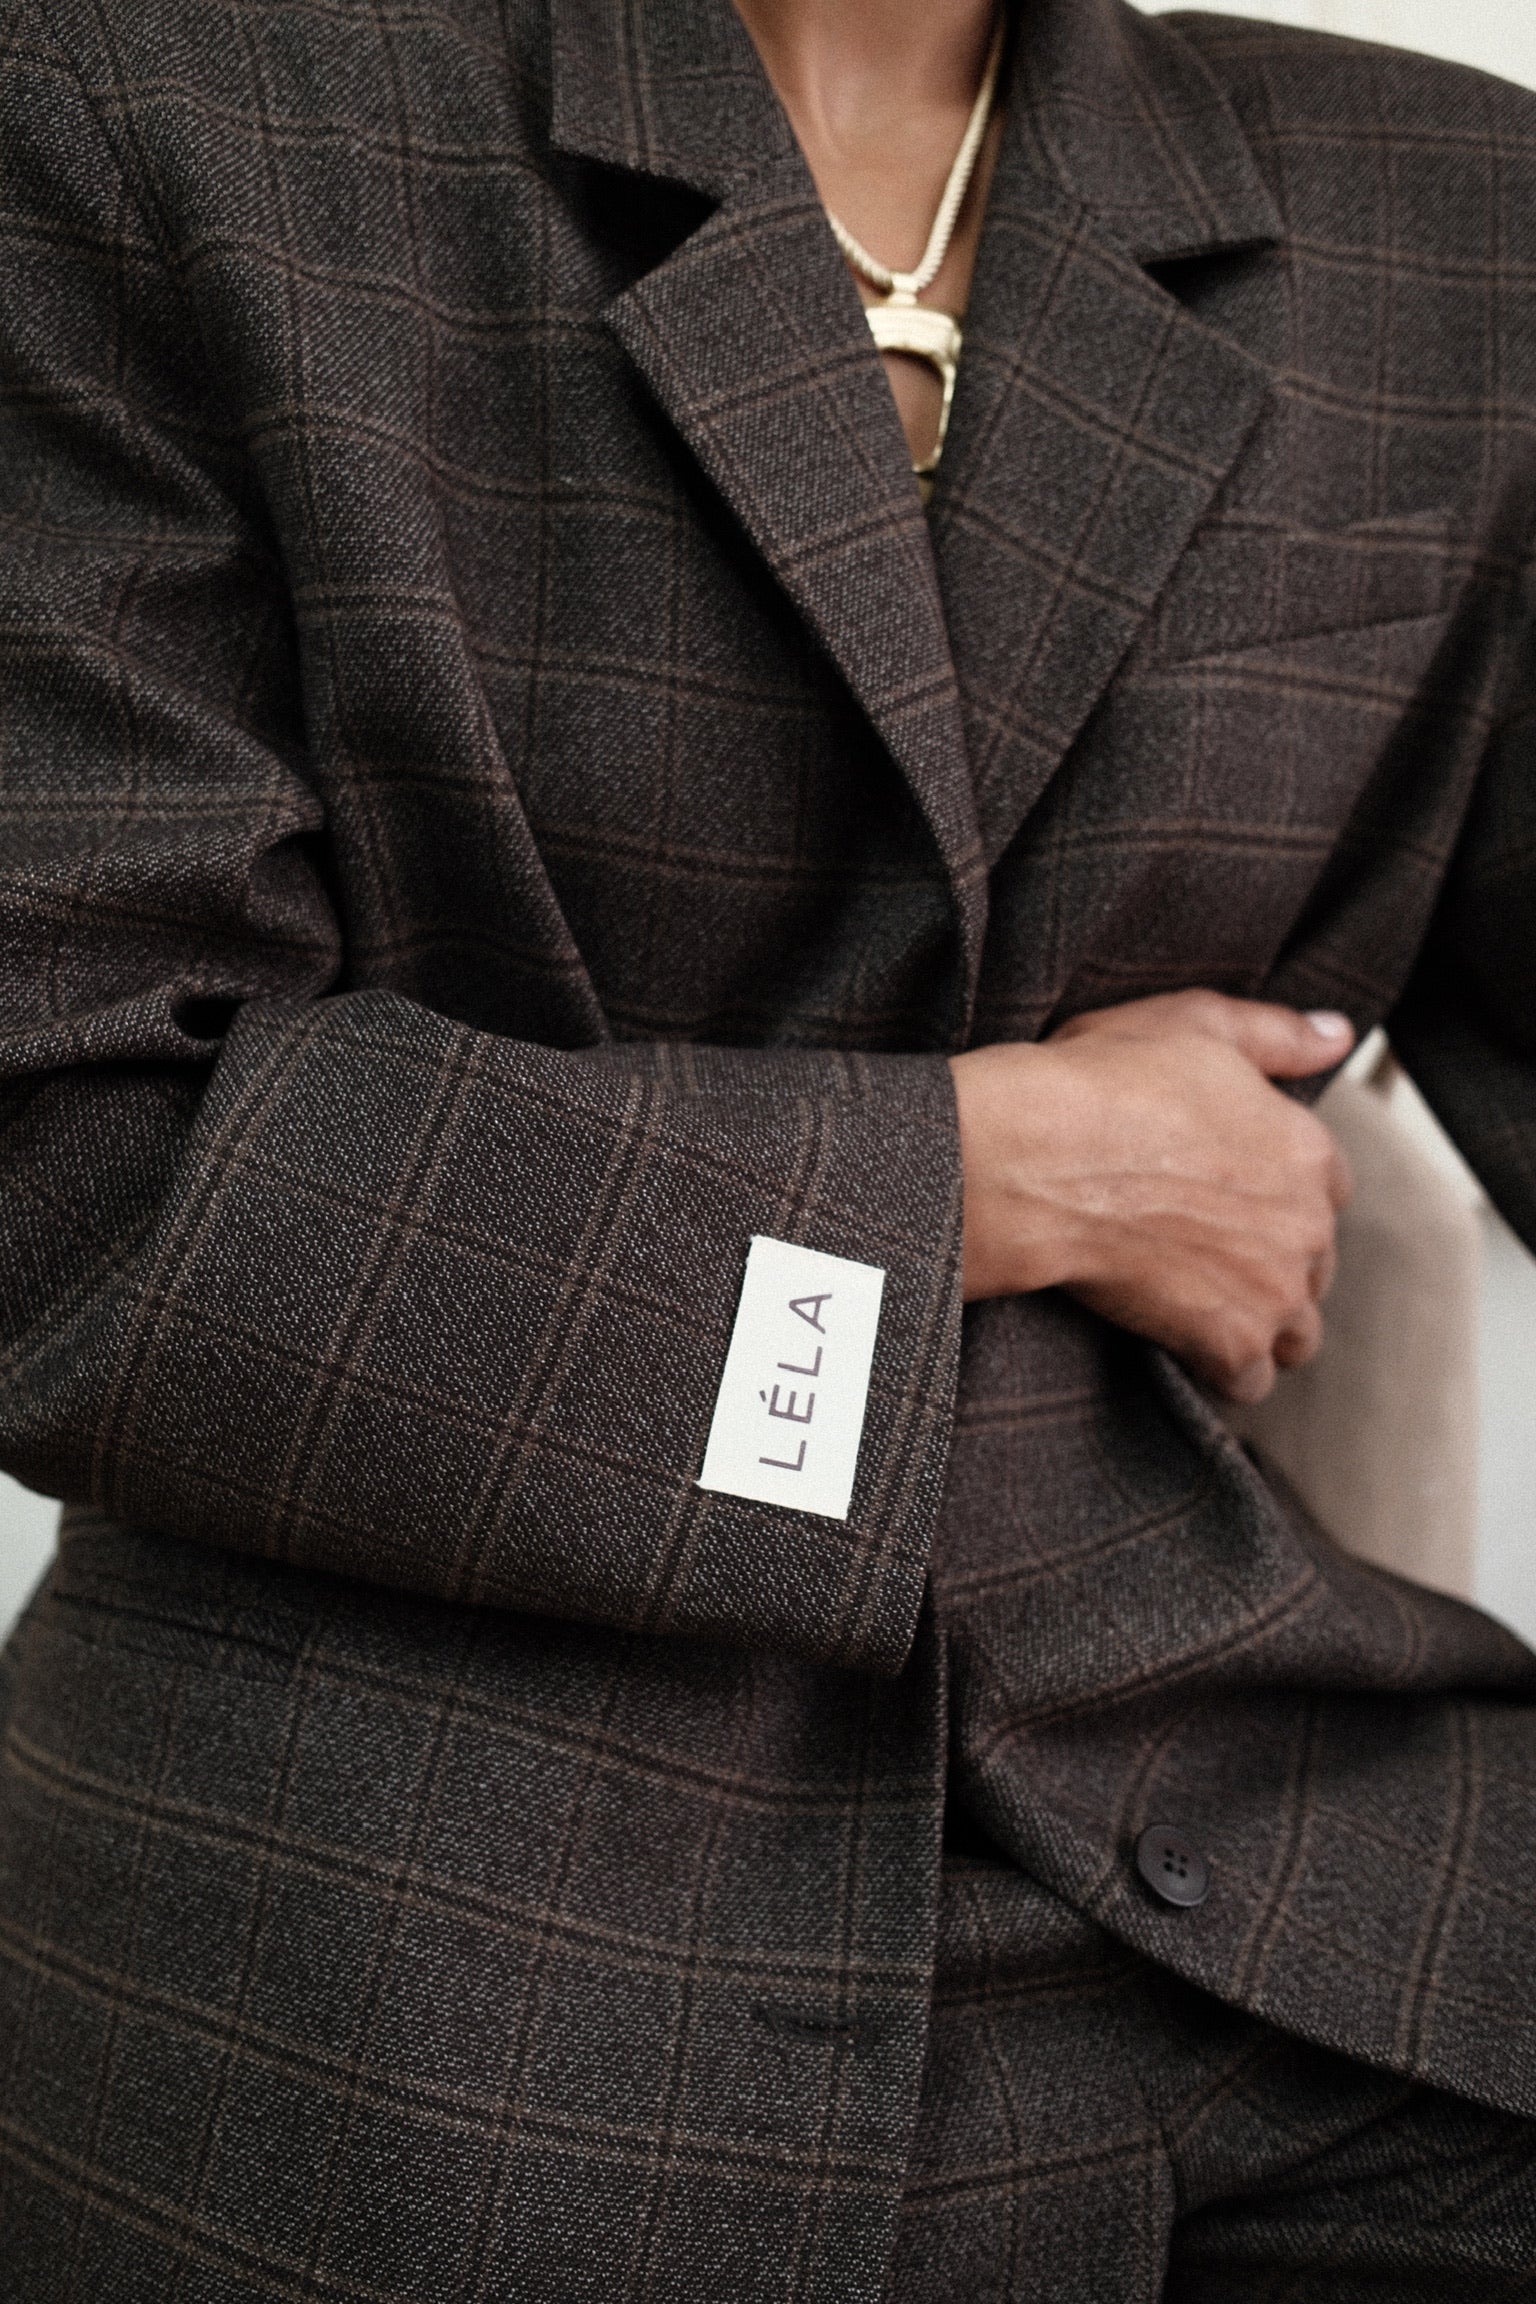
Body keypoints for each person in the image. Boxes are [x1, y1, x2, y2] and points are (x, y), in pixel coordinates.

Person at [0, 0, 1533, 2292]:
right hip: (414, 1919)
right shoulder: (159, 108)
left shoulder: (1457, 222)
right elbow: (71, 1191)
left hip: (1284, 1861)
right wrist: (991, 1178)